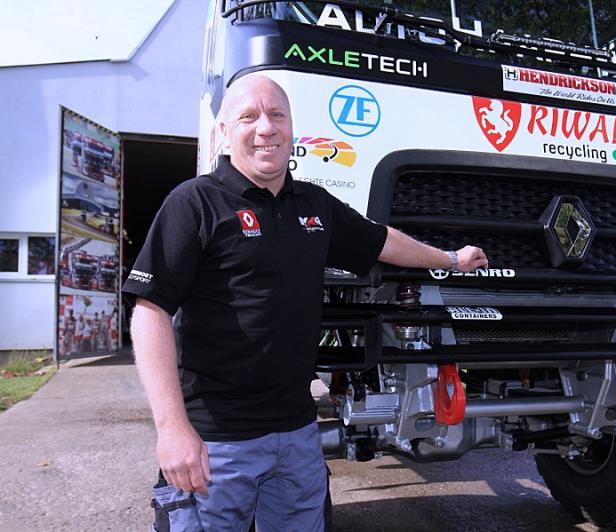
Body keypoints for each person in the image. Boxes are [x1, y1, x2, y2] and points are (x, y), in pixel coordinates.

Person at [123, 73, 488, 531]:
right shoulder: (195, 202)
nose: (266, 128)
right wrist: (172, 429)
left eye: (277, 115)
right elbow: (150, 312)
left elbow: (381, 241)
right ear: (224, 131)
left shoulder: (312, 204)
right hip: (216, 443)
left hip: (296, 436)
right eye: (249, 117)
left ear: (292, 128)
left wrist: (450, 259)